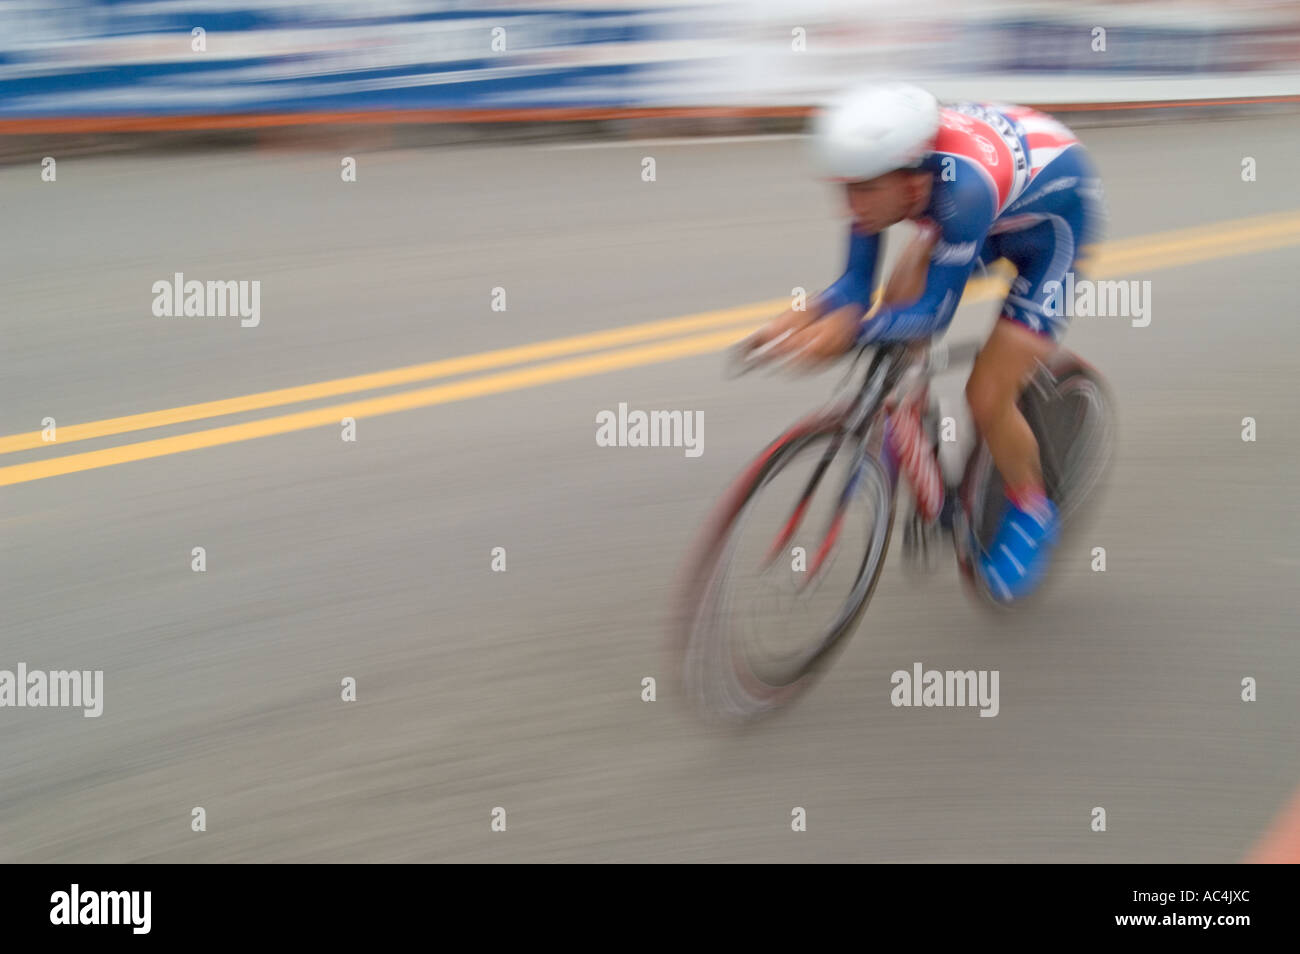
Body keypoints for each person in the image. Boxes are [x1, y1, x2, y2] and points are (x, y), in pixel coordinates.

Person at [747, 83, 1104, 602]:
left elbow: (933, 313)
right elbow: (855, 289)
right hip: (993, 208)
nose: (851, 205)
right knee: (898, 290)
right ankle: (908, 411)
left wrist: (847, 334)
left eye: (864, 190)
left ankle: (1032, 509)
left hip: (1053, 229)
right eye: (845, 188)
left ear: (913, 184)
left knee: (986, 395)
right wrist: (804, 315)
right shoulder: (884, 177)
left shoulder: (963, 194)